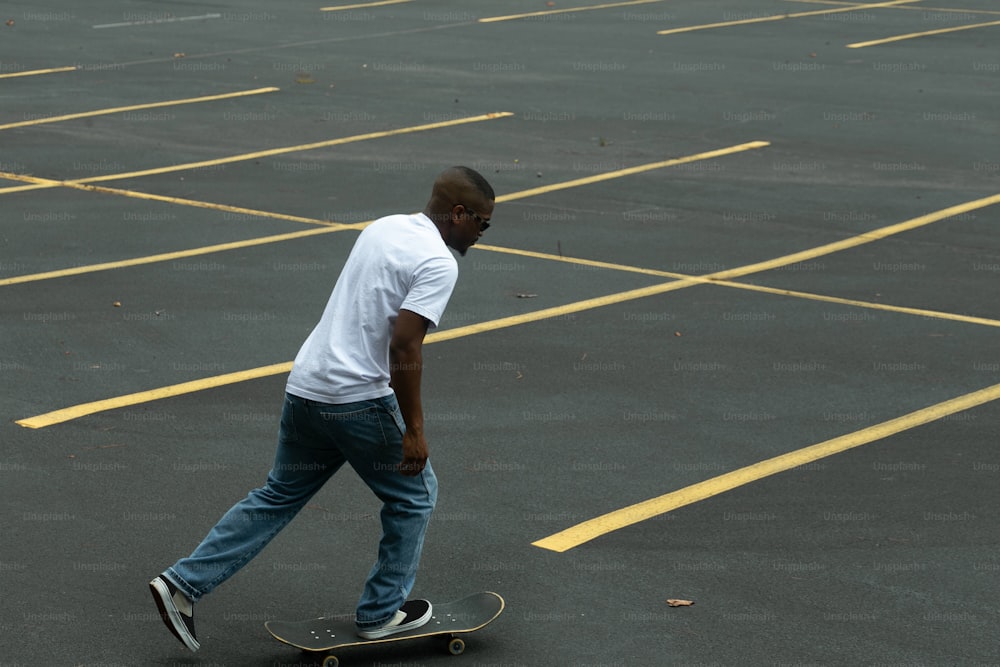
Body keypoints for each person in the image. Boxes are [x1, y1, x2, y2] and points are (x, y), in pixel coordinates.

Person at [149, 166, 495, 651]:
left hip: (308, 386)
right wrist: (413, 429)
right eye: (482, 223)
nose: (481, 235)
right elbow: (404, 346)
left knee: (276, 496)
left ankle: (181, 585)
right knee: (414, 497)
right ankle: (379, 613)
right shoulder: (439, 262)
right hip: (356, 400)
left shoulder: (384, 227)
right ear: (458, 213)